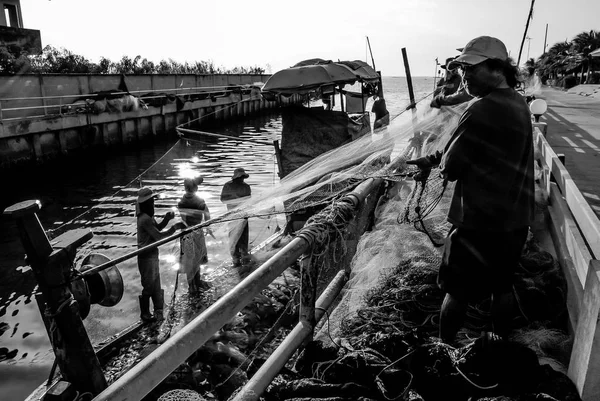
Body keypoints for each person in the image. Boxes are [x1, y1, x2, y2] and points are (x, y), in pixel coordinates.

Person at [407, 36, 534, 344]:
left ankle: (444, 350)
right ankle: (501, 347)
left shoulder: (481, 109)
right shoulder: (518, 103)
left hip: (478, 222)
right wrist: (438, 156)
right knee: (501, 286)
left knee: (457, 291)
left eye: (471, 69)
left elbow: (451, 168)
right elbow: (485, 150)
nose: (464, 76)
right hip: (514, 220)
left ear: (496, 69)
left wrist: (435, 163)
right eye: (462, 69)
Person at [136, 187, 185, 322]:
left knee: (156, 284)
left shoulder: (148, 217)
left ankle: (159, 309)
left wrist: (166, 219)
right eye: (151, 201)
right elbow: (158, 237)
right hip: (146, 257)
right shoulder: (144, 218)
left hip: (152, 255)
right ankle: (145, 314)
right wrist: (174, 228)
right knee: (149, 286)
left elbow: (157, 229)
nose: (153, 203)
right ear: (145, 203)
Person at [178, 176, 211, 295]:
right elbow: (207, 215)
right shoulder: (200, 201)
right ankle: (196, 283)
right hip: (198, 232)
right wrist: (207, 227)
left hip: (186, 234)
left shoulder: (181, 202)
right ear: (195, 188)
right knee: (197, 258)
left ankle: (192, 285)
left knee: (189, 260)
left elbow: (184, 219)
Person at [220, 168, 252, 266]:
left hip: (242, 214)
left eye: (243, 177)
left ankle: (243, 256)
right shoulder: (228, 186)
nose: (242, 179)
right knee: (234, 236)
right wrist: (236, 198)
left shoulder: (245, 186)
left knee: (242, 236)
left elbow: (249, 200)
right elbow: (223, 199)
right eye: (241, 177)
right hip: (233, 215)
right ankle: (236, 258)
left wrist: (236, 198)